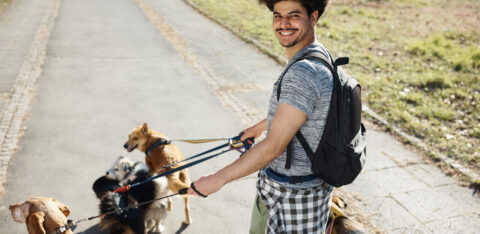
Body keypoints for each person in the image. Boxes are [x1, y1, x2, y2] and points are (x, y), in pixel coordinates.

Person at [187, 0, 333, 233]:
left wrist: (216, 179)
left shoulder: (304, 73)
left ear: (313, 17)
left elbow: (273, 146)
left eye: (293, 15)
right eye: (277, 16)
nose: (283, 24)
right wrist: (258, 128)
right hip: (302, 189)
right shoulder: (318, 54)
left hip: (291, 197)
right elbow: (301, 111)